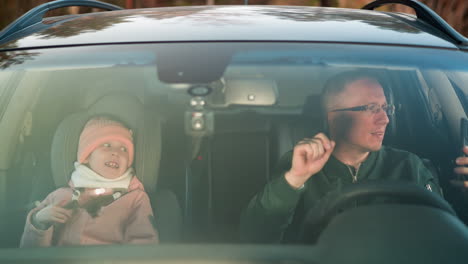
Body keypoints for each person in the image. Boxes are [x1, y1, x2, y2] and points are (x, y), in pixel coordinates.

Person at [239, 70, 442, 243]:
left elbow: (443, 235)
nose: (385, 119)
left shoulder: (408, 166)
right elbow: (255, 237)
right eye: (371, 108)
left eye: (386, 108)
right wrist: (294, 179)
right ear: (334, 117)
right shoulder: (300, 164)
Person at [20, 116, 158, 247]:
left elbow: (143, 246)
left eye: (124, 149)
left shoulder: (135, 199)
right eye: (107, 145)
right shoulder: (59, 197)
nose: (116, 152)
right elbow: (30, 253)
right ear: (86, 157)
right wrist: (39, 223)